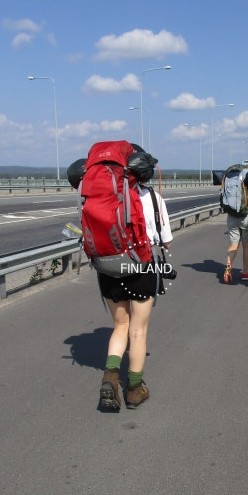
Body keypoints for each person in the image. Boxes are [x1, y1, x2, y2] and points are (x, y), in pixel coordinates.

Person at [98, 164, 173, 411]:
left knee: (121, 326)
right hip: (142, 266)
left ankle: (110, 378)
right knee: (138, 331)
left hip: (108, 268)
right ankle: (134, 389)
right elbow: (167, 242)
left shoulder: (103, 195)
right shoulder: (152, 196)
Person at [223, 160, 248, 283]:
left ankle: (228, 267)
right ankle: (245, 273)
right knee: (246, 245)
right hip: (246, 216)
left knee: (234, 244)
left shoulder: (232, 175)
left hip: (232, 215)